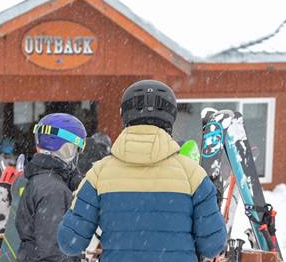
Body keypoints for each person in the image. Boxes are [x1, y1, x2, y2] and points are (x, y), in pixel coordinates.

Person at [58, 80, 227, 262]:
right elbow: (213, 246)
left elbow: (70, 242)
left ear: (124, 115)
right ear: (171, 116)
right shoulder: (193, 175)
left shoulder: (99, 175)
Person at [16, 113, 86, 262]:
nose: (75, 158)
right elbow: (54, 253)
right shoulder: (53, 191)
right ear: (64, 149)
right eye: (74, 150)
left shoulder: (41, 180)